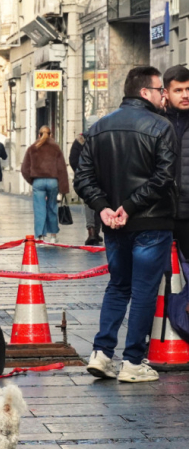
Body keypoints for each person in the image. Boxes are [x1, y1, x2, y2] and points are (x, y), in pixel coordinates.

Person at [74, 66, 177, 384]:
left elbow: (83, 177)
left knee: (118, 286)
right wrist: (128, 207)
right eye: (161, 90)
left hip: (114, 225)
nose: (164, 96)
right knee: (145, 290)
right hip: (151, 219)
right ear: (145, 92)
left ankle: (102, 355)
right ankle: (133, 361)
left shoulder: (99, 127)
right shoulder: (162, 126)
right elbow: (164, 177)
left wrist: (104, 209)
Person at [21, 125, 69, 243]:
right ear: (51, 135)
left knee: (39, 209)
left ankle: (40, 236)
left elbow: (24, 169)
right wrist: (64, 188)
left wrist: (32, 180)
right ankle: (53, 236)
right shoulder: (56, 148)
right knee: (52, 207)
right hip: (53, 181)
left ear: (39, 135)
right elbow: (62, 169)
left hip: (38, 181)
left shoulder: (32, 148)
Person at [164, 65, 189, 259]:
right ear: (166, 92)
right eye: (178, 90)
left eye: (188, 89)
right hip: (163, 213)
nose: (185, 95)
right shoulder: (156, 122)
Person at [69, 115, 103, 245]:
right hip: (100, 177)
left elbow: (73, 159)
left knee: (89, 204)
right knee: (100, 202)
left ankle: (91, 231)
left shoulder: (80, 140)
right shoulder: (102, 138)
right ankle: (96, 232)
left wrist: (80, 173)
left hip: (85, 178)